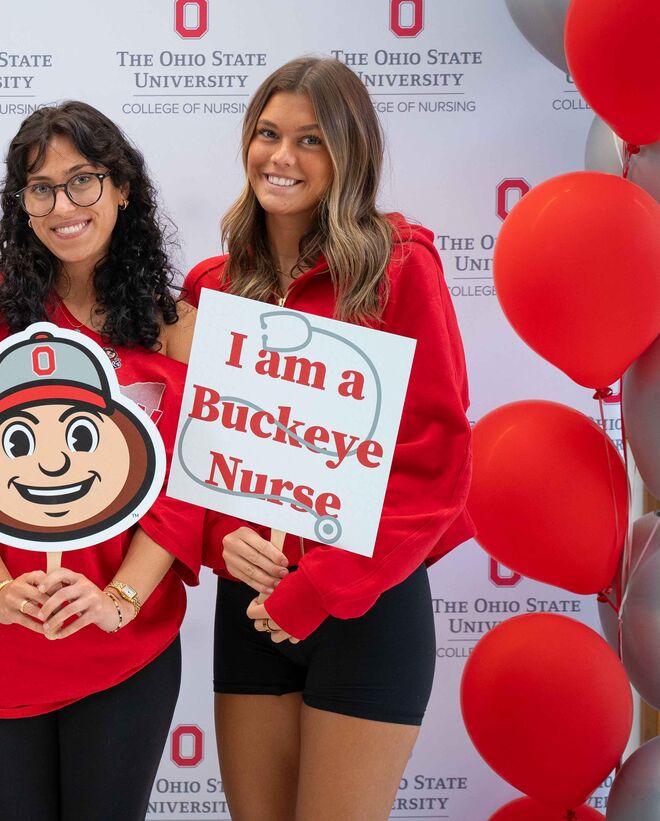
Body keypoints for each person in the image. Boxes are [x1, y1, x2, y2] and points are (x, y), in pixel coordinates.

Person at [182, 56, 474, 821]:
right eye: (268, 134)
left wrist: (319, 586)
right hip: (250, 605)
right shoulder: (212, 288)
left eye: (311, 139)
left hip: (362, 607)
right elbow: (192, 453)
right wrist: (219, 538)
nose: (282, 156)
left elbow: (436, 463)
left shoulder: (400, 269)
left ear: (350, 153)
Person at [0, 101, 202, 821]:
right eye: (41, 188)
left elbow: (185, 490)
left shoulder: (177, 328)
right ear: (21, 203)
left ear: (122, 188)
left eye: (83, 181)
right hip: (0, 643)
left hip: (125, 645)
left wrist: (118, 600)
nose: (63, 206)